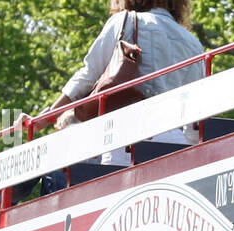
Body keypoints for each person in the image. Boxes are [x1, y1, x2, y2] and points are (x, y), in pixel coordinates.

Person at [46, 0, 205, 153]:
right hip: (175, 140)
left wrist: (46, 117)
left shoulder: (126, 21)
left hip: (127, 135)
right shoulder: (194, 44)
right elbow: (196, 111)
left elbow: (88, 76)